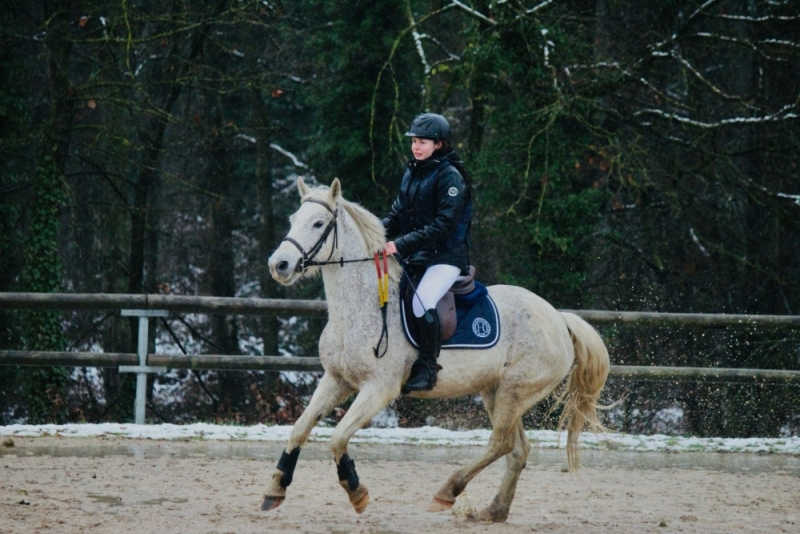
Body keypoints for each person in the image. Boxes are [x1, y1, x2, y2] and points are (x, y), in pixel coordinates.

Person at [382, 113, 472, 392]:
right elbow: (396, 214)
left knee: (422, 302)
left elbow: (443, 225)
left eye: (422, 142)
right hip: (418, 256)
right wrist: (373, 234)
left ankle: (428, 367)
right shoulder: (412, 172)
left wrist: (399, 244)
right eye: (414, 141)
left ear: (439, 145)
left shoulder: (450, 177)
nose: (416, 146)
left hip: (446, 257)